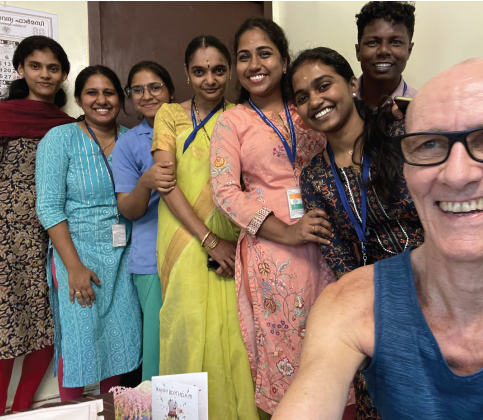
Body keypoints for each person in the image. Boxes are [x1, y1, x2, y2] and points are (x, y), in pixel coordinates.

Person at [273, 58, 483, 419]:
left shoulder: (386, 145)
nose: (457, 175)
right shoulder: (349, 305)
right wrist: (369, 291)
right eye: (431, 145)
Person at [210, 18, 346, 416]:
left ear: (284, 60)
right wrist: (286, 232)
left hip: (330, 240)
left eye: (265, 53)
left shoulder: (308, 107)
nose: (255, 63)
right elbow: (224, 192)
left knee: (337, 341)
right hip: (274, 253)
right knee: (284, 349)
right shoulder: (232, 121)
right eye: (244, 56)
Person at [291, 47, 424, 419]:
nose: (315, 101)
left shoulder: (400, 135)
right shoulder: (314, 176)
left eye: (323, 85)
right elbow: (336, 253)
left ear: (351, 84)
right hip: (373, 306)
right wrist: (373, 311)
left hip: (437, 291)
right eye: (303, 97)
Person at [151, 36, 259, 420]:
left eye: (217, 70)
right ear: (186, 73)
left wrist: (225, 240)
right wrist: (209, 240)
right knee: (187, 324)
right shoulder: (170, 115)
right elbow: (166, 185)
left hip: (235, 240)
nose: (209, 79)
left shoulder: (244, 115)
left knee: (236, 334)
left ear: (230, 71)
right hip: (185, 238)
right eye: (199, 71)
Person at [36, 65, 142, 401]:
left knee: (120, 341)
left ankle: (113, 409)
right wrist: (74, 268)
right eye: (92, 93)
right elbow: (49, 208)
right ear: (80, 99)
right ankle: (71, 407)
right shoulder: (59, 138)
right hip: (76, 253)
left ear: (120, 97)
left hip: (124, 254)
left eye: (109, 92)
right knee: (80, 343)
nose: (101, 100)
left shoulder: (132, 140)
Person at [0, 35, 75, 416]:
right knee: (4, 330)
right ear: (20, 69)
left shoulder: (69, 125)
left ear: (63, 74)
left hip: (54, 237)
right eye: (36, 66)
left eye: (53, 67)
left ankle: (22, 409)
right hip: (4, 238)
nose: (45, 74)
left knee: (50, 325)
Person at [111, 61, 175, 382]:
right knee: (157, 354)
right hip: (151, 261)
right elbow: (129, 210)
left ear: (171, 90)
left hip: (201, 251)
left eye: (155, 87)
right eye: (138, 89)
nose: (147, 95)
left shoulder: (194, 128)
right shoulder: (129, 143)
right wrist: (146, 182)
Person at [355, 1, 417, 107]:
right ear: (358, 51)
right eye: (372, 42)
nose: (383, 51)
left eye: (395, 42)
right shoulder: (340, 102)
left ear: (409, 50)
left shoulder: (421, 108)